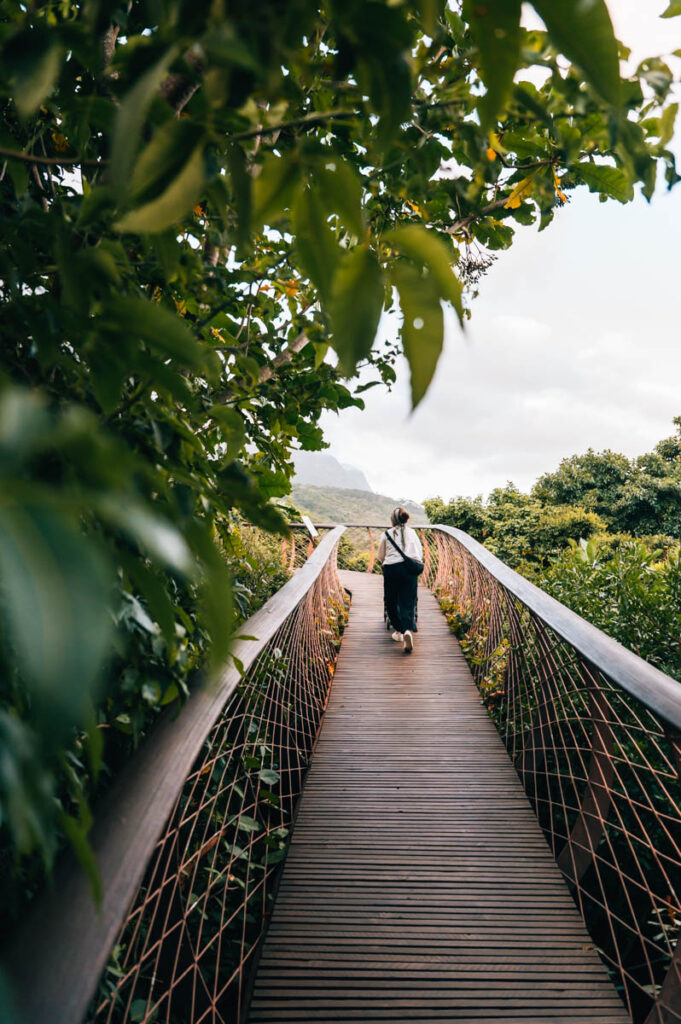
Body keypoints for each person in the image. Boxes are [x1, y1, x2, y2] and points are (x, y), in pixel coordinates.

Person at [377, 507, 423, 654]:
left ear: (392, 520)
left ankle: (399, 630)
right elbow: (419, 554)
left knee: (390, 600)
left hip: (392, 569)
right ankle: (408, 629)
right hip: (409, 570)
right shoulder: (412, 533)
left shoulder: (386, 534)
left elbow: (380, 556)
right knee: (408, 601)